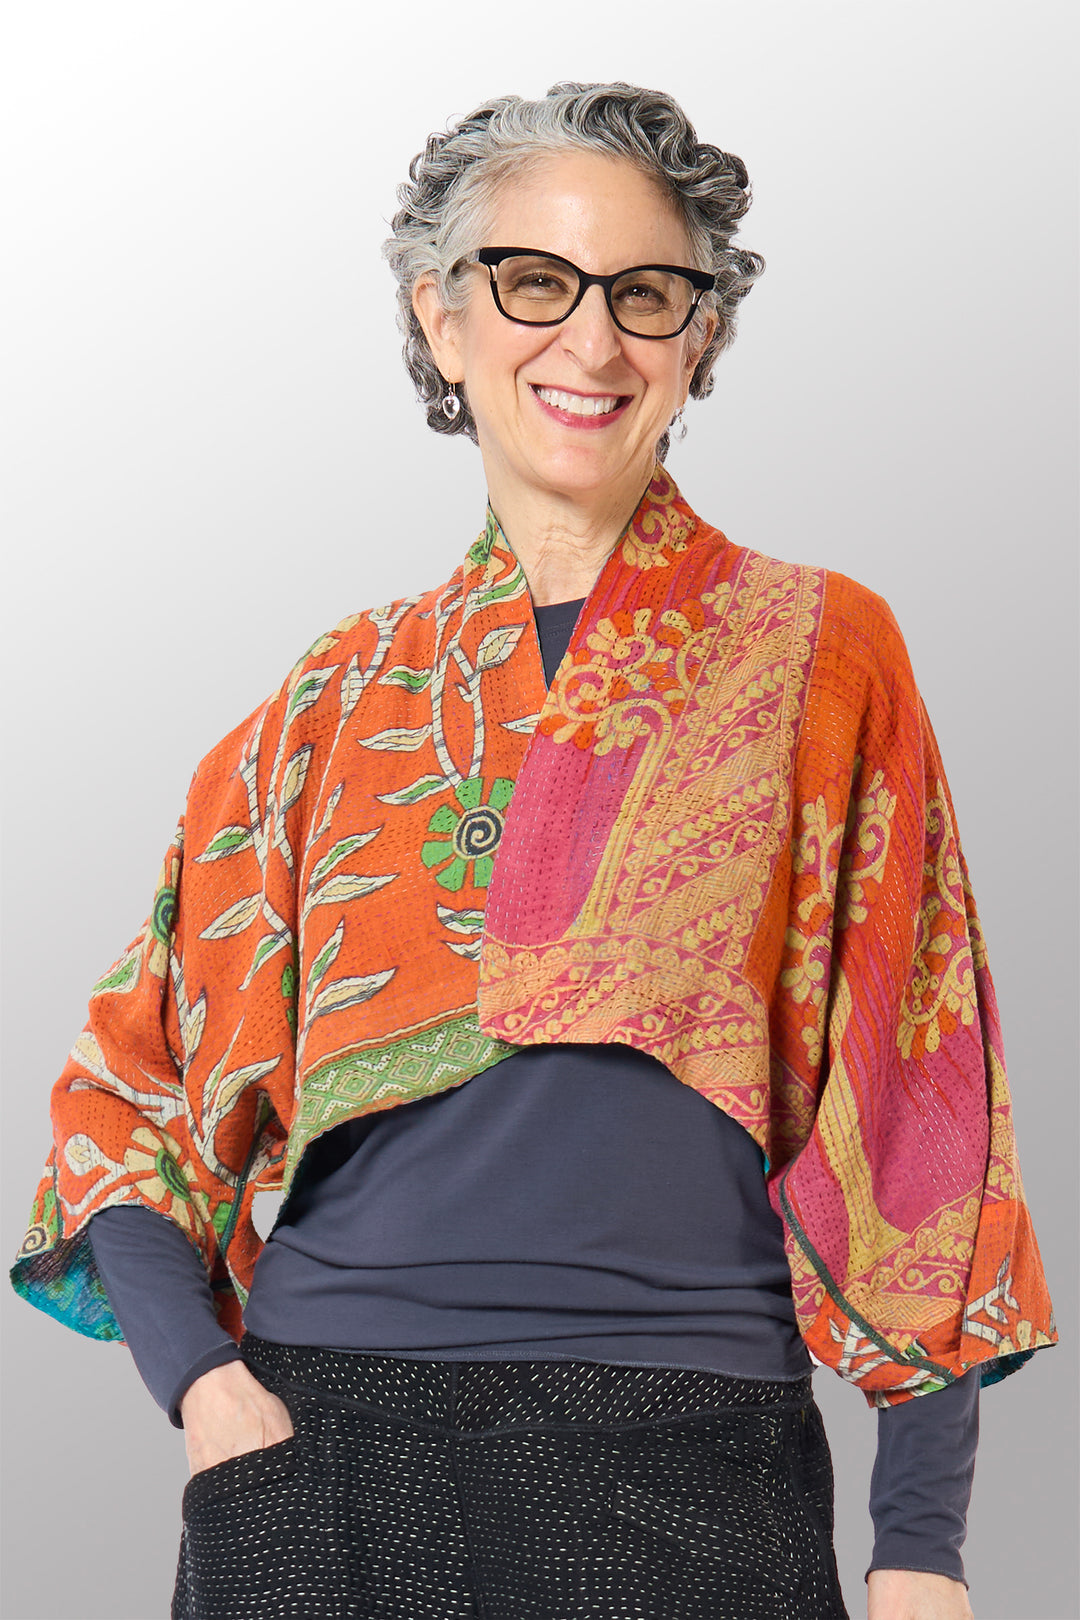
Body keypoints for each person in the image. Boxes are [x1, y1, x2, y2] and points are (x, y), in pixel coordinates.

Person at [10, 81, 1056, 1620]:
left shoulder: (821, 653)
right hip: (326, 1448)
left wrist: (920, 1542)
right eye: (534, 282)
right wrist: (206, 1388)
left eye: (647, 293)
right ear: (442, 320)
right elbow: (131, 1082)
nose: (592, 340)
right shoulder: (337, 697)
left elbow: (921, 1093)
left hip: (695, 1452)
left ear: (700, 335)